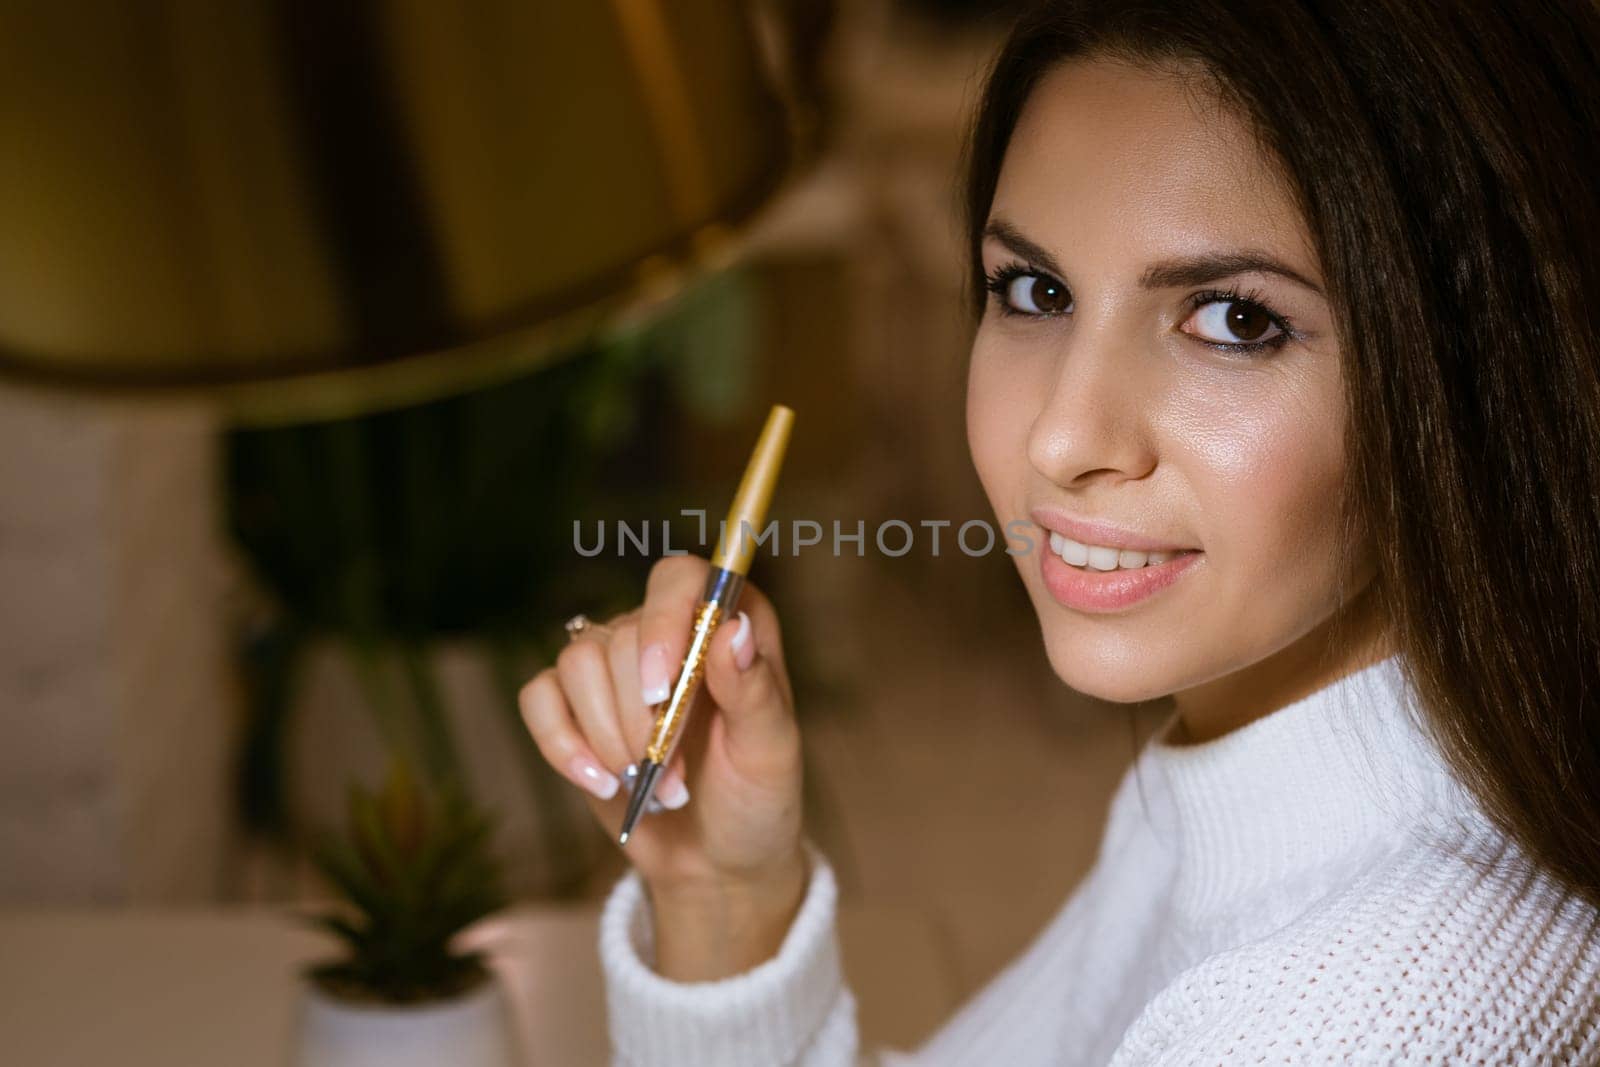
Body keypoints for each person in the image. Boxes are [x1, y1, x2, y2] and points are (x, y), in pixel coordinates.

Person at [519, 1, 1600, 1062]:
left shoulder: (1346, 1012)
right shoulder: (1257, 767)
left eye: (1233, 318)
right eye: (1034, 290)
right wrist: (721, 897)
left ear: (1475, 364)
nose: (1061, 437)